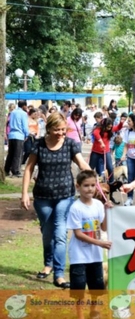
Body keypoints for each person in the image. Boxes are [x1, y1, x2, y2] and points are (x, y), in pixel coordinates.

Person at [20, 112, 91, 289]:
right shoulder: (39, 145)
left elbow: (81, 163)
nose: (60, 133)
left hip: (65, 195)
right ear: (49, 128)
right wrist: (24, 193)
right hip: (42, 196)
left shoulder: (70, 144)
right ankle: (48, 264)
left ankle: (59, 274)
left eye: (63, 130)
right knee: (47, 233)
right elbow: (28, 169)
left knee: (60, 234)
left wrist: (92, 177)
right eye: (57, 130)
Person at [67, 170, 112, 319]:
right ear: (78, 186)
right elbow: (78, 234)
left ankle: (94, 311)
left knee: (96, 287)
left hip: (95, 255)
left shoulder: (98, 205)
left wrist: (107, 211)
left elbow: (103, 227)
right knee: (79, 288)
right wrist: (100, 243)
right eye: (86, 185)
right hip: (79, 256)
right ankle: (80, 315)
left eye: (93, 185)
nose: (90, 189)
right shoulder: (75, 208)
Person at [89, 117, 124, 201]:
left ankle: (111, 183)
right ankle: (88, 181)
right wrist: (101, 142)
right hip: (96, 151)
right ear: (104, 125)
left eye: (110, 127)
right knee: (90, 168)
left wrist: (121, 123)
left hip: (106, 151)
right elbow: (95, 133)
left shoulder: (111, 129)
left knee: (110, 168)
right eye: (108, 127)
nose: (109, 128)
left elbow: (118, 128)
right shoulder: (98, 129)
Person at [5, 100, 29, 177]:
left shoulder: (12, 112)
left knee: (10, 154)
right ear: (24, 106)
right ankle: (15, 171)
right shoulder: (24, 114)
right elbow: (25, 126)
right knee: (18, 155)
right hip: (19, 135)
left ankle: (6, 169)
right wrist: (27, 134)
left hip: (11, 134)